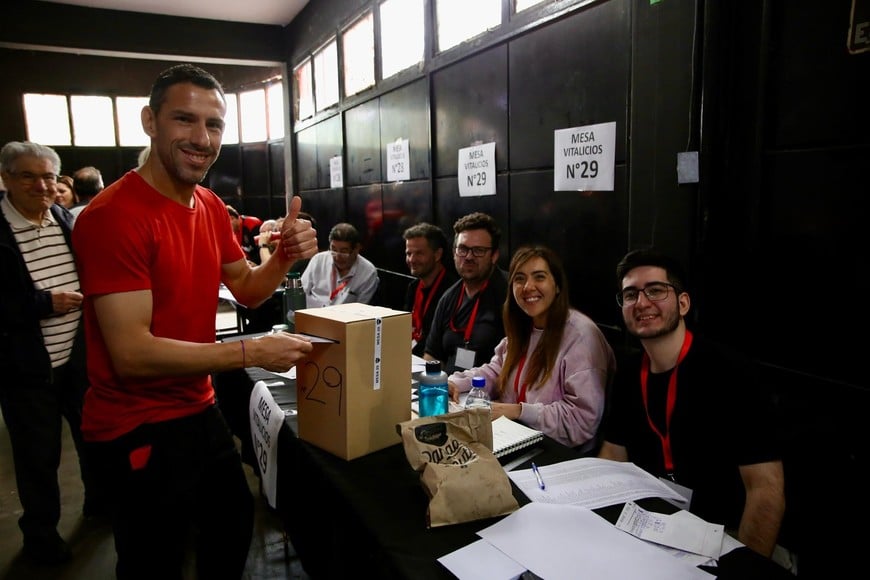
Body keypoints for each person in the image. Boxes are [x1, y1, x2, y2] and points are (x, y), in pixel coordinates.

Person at [71, 63, 318, 579]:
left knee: (231, 526)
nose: (202, 139)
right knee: (154, 561)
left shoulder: (207, 204)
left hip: (196, 406)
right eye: (184, 119)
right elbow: (132, 355)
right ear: (150, 121)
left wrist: (283, 257)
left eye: (214, 124)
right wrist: (250, 352)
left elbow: (247, 288)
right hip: (134, 422)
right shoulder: (112, 216)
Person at [598, 248, 785, 558]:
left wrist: (746, 567)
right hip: (652, 525)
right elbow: (613, 455)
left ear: (683, 303)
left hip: (726, 534)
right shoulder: (629, 372)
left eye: (655, 290)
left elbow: (765, 490)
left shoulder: (732, 372)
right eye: (630, 295)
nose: (641, 303)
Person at [0, 141, 99, 564]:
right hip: (26, 369)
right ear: (6, 178)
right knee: (38, 458)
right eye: (28, 176)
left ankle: (99, 505)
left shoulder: (62, 218)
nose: (41, 186)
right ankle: (41, 536)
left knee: (92, 437)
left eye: (48, 177)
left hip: (77, 359)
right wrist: (44, 303)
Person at [447, 245, 615, 450]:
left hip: (557, 451)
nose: (528, 286)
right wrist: (456, 383)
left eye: (539, 277)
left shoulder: (581, 335)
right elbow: (496, 371)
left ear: (557, 286)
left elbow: (582, 421)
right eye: (520, 279)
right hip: (513, 437)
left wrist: (517, 411)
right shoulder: (524, 325)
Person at [424, 212, 508, 373]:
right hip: (448, 385)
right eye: (462, 249)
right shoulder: (448, 298)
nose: (469, 257)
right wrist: (432, 383)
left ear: (494, 255)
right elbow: (432, 355)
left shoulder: (510, 294)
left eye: (478, 250)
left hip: (488, 385)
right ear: (454, 253)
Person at [402, 222, 457, 357]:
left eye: (419, 253)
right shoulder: (413, 287)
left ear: (437, 255)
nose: (412, 259)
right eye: (409, 253)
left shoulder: (452, 291)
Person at [301, 222, 379, 308]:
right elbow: (301, 292)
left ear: (357, 249)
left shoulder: (368, 272)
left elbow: (362, 309)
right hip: (311, 312)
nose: (337, 257)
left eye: (344, 252)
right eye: (334, 250)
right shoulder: (318, 260)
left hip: (344, 315)